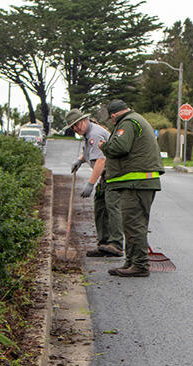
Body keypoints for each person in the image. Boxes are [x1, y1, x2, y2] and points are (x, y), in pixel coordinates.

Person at [99, 100, 164, 277]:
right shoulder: (135, 120)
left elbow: (120, 147)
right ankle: (131, 261)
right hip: (139, 183)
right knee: (132, 224)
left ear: (113, 116)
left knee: (134, 225)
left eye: (112, 120)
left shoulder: (127, 123)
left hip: (137, 183)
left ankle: (140, 265)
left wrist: (104, 146)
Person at [63, 109, 122, 257]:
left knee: (112, 207)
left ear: (84, 120)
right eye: (73, 127)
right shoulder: (88, 134)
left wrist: (90, 183)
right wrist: (80, 160)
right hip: (105, 177)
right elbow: (90, 152)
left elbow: (101, 160)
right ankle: (104, 244)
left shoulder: (94, 134)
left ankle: (116, 245)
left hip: (114, 174)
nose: (76, 129)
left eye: (76, 125)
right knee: (100, 207)